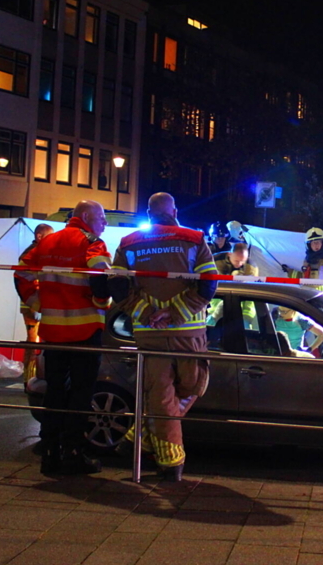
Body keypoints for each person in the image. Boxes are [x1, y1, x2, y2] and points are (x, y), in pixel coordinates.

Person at [111, 192, 218, 481]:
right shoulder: (194, 239)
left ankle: (138, 437)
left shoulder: (129, 243)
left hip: (150, 334)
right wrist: (176, 312)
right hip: (188, 333)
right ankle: (171, 464)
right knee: (193, 385)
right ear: (175, 210)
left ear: (148, 213)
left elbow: (117, 287)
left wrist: (147, 313)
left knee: (160, 395)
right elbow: (209, 284)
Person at [14, 202, 111, 475]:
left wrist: (36, 303)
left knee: (55, 392)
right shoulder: (93, 243)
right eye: (101, 217)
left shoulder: (46, 243)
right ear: (86, 217)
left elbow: (20, 273)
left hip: (53, 332)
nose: (104, 223)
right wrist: (100, 301)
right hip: (86, 331)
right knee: (81, 394)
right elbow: (101, 278)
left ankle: (49, 454)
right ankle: (74, 453)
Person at [17, 223, 53, 382]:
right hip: (33, 307)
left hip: (34, 305)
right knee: (34, 344)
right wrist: (36, 306)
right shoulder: (33, 254)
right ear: (39, 236)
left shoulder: (34, 252)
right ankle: (29, 379)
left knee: (34, 343)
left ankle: (30, 377)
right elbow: (30, 282)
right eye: (49, 236)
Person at [284, 228, 323, 299]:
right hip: (307, 298)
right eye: (313, 242)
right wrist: (290, 271)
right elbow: (304, 278)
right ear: (309, 245)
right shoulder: (307, 260)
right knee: (284, 309)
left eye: (318, 242)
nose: (316, 245)